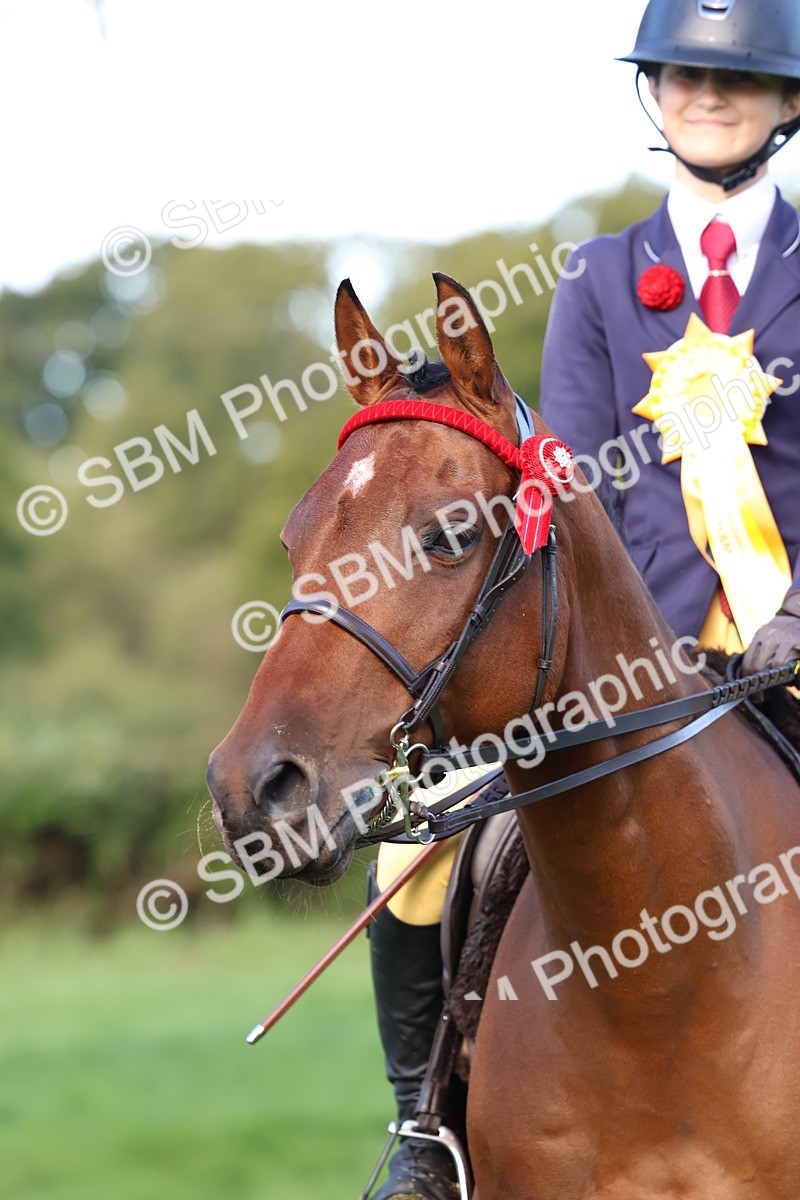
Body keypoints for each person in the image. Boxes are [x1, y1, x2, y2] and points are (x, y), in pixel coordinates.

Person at [367, 3, 800, 1197]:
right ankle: (425, 1131)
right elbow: (562, 490)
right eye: (679, 77)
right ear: (651, 96)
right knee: (415, 852)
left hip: (793, 652)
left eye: (738, 82)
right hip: (632, 676)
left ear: (787, 104)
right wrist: (618, 653)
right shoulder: (600, 280)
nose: (705, 99)